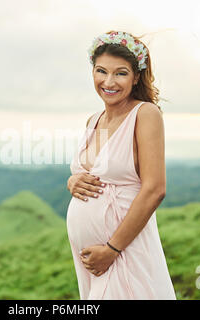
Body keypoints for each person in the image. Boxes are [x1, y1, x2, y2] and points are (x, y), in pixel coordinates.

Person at [65, 30, 176, 299]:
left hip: (122, 252)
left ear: (136, 76)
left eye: (121, 73)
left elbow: (154, 189)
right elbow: (96, 173)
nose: (109, 81)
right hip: (92, 261)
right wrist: (73, 180)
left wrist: (112, 249)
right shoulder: (94, 121)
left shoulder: (145, 114)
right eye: (101, 71)